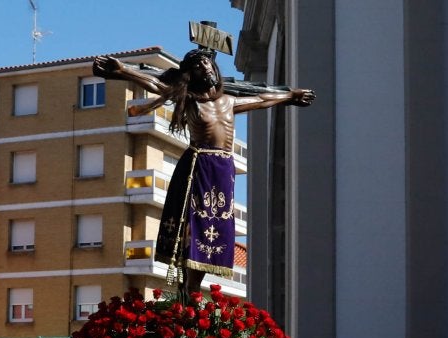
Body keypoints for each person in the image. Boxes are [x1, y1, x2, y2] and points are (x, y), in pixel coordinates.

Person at [95, 47, 313, 292]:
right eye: (198, 66)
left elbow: (262, 100)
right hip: (199, 165)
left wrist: (290, 96)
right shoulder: (188, 100)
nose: (205, 68)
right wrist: (125, 71)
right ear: (191, 74)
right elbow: (158, 86)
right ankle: (189, 288)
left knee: (215, 226)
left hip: (223, 168)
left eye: (207, 64)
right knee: (194, 224)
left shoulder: (229, 101)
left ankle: (193, 286)